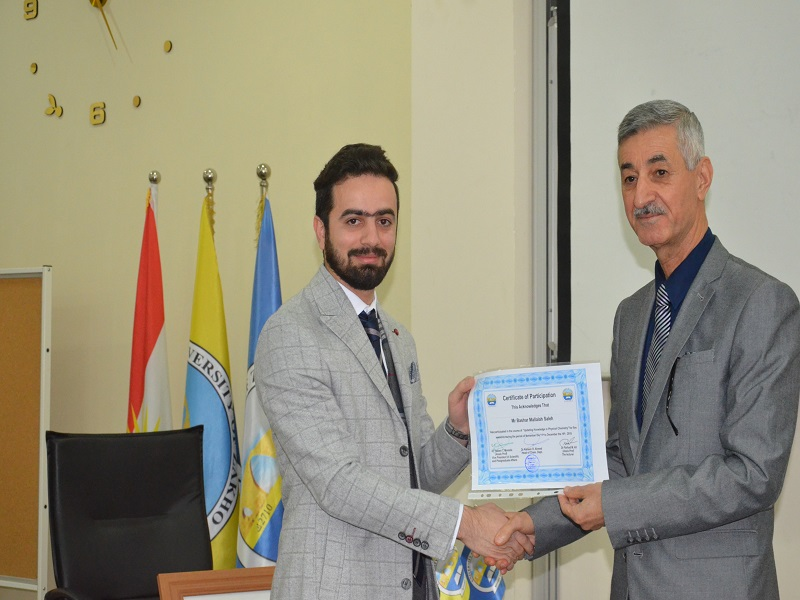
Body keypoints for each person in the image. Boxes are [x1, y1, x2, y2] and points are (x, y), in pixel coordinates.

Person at [493, 100, 800, 599]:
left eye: (660, 173)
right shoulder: (632, 314)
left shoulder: (761, 302)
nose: (642, 196)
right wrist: (530, 526)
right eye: (629, 178)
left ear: (702, 178)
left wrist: (616, 505)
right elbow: (620, 462)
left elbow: (753, 473)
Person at [254, 143, 532, 600]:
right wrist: (465, 524)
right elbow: (339, 485)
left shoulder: (398, 338)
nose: (372, 238)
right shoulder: (290, 334)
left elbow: (414, 475)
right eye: (354, 221)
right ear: (321, 231)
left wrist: (458, 432)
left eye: (384, 221)